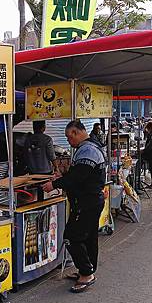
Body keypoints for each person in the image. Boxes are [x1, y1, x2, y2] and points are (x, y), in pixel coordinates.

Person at [41, 120, 105, 293]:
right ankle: (88, 269)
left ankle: (86, 274)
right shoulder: (88, 147)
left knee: (72, 237)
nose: (68, 142)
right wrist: (61, 177)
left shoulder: (88, 150)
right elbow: (77, 174)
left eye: (69, 138)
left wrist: (54, 185)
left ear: (76, 132)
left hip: (87, 202)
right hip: (91, 200)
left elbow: (78, 177)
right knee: (88, 237)